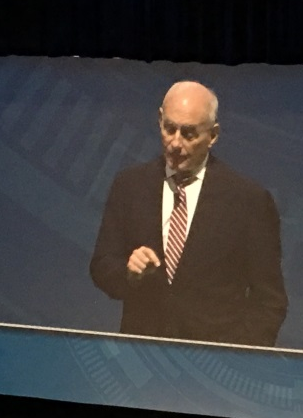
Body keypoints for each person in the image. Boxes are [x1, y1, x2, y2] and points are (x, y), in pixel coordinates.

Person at [89, 80, 288, 347]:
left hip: (215, 364)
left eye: (189, 134)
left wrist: (239, 358)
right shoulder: (130, 186)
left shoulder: (248, 201)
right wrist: (128, 273)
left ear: (213, 135)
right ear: (160, 119)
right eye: (169, 129)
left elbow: (270, 300)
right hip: (141, 357)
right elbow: (102, 266)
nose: (175, 143)